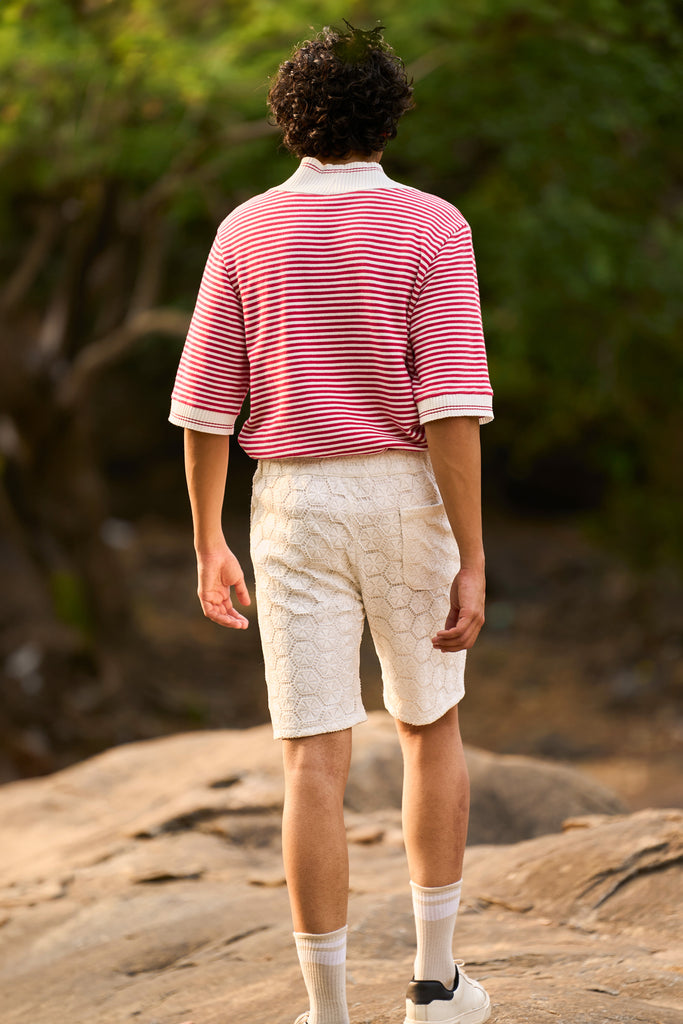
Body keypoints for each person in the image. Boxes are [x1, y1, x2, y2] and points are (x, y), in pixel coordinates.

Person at [169, 21, 493, 1024]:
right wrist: (472, 556)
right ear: (390, 118)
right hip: (402, 498)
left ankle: (327, 1013)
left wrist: (208, 540)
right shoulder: (432, 225)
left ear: (288, 121)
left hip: (290, 506)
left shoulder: (245, 230)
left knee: (312, 757)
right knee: (428, 726)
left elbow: (203, 407)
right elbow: (449, 407)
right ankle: (434, 986)